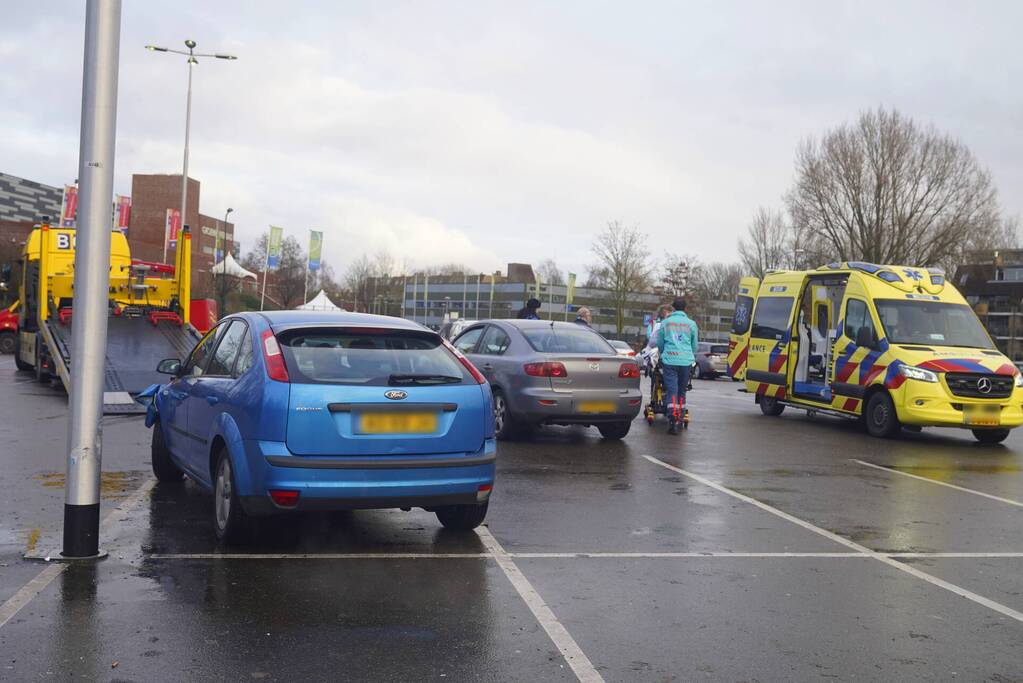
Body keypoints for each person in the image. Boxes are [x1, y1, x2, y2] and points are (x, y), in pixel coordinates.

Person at [653, 299, 699, 434]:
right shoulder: (691, 324)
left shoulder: (666, 323)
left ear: (673, 308)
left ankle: (672, 416)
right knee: (682, 389)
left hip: (670, 360)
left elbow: (660, 342)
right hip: (685, 361)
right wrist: (688, 353)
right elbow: (694, 345)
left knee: (671, 388)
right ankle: (680, 414)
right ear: (685, 308)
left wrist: (663, 353)